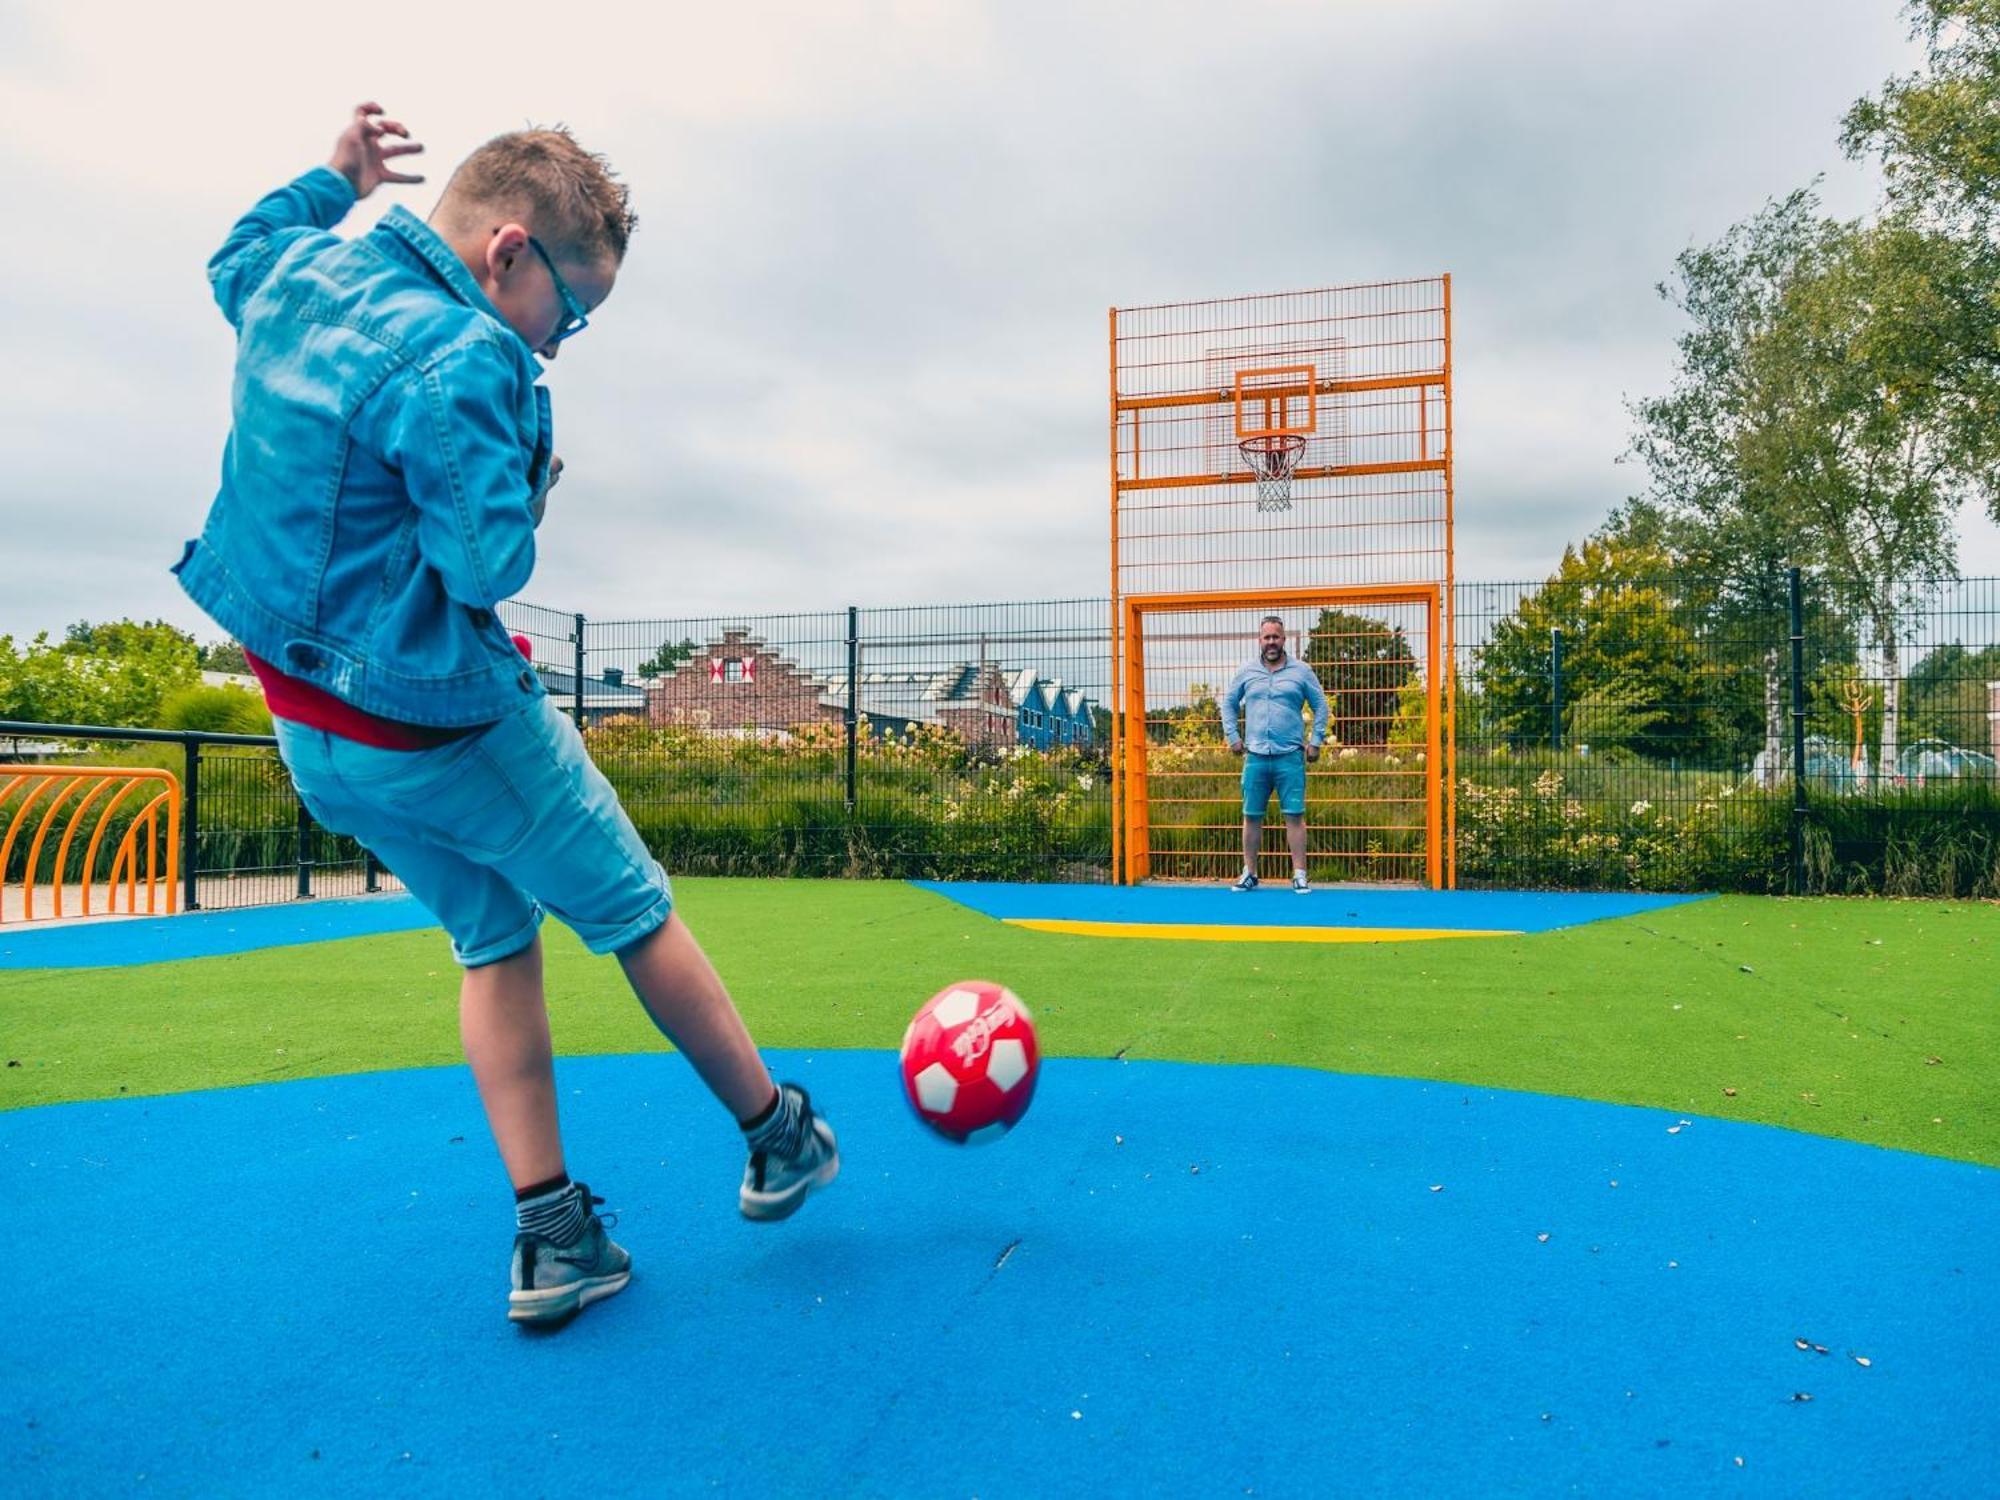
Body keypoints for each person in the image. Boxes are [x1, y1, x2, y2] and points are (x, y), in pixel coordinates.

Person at [176, 103, 837, 1328]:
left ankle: (555, 1234)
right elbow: (484, 566)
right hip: (439, 720)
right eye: (569, 317)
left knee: (491, 937)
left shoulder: (302, 267)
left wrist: (333, 179)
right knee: (632, 908)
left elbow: (233, 258)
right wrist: (532, 439)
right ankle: (776, 1133)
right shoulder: (469, 357)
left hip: (313, 732)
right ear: (509, 253)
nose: (559, 344)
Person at [1219, 615, 1329, 894]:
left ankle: (1300, 875)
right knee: (1251, 815)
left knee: (1294, 815)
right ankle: (1249, 874)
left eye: (1276, 637)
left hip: (1290, 756)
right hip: (1255, 756)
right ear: (1260, 640)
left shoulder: (1302, 672)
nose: (1271, 642)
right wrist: (1233, 736)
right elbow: (1229, 704)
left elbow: (1321, 706)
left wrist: (1316, 741)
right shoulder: (1247, 672)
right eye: (1266, 637)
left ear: (1284, 639)